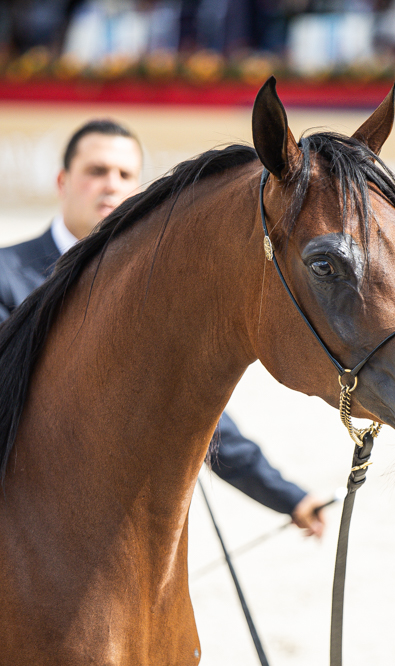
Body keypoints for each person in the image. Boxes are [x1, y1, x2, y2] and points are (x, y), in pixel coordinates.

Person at [0, 118, 326, 537]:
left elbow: (194, 406)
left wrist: (288, 497)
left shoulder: (152, 292)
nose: (111, 185)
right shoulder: (5, 274)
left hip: (125, 532)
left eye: (125, 175)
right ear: (63, 181)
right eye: (96, 171)